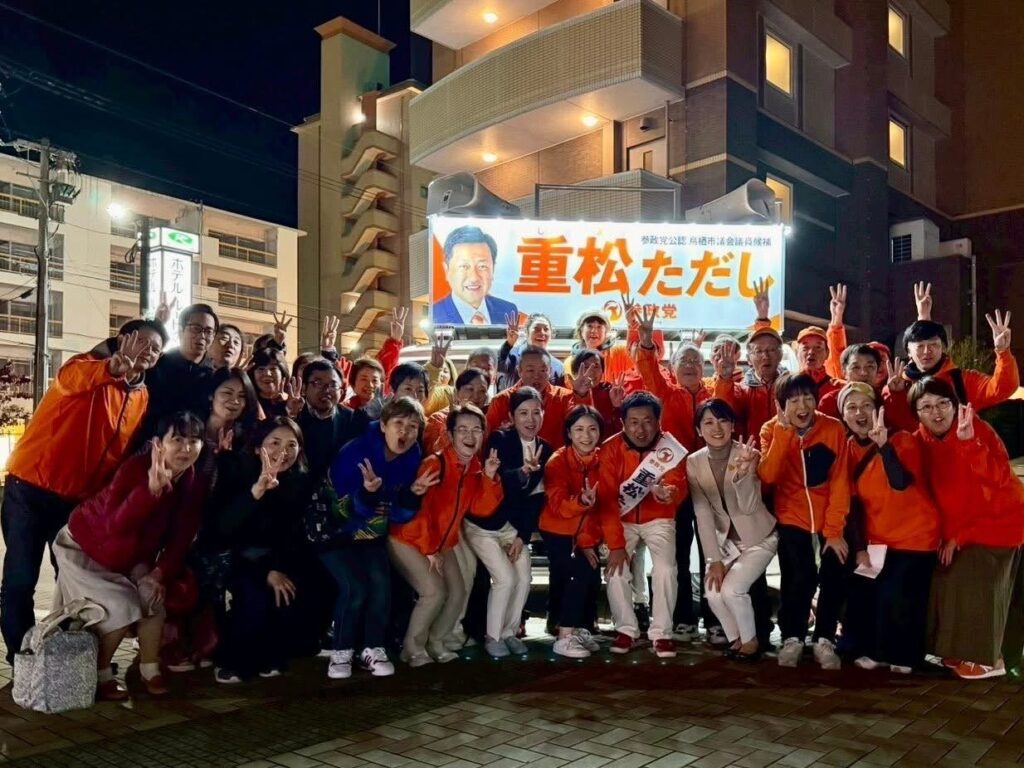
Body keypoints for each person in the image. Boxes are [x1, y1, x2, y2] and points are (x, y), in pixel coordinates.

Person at [0, 321, 165, 662]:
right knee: (21, 576)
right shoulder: (85, 367)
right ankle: (21, 657)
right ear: (122, 340)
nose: (148, 352)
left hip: (76, 502)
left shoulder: (142, 396)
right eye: (142, 343)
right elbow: (71, 379)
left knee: (75, 579)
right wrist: (113, 367)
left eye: (155, 349)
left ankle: (67, 656)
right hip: (30, 488)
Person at [51, 412, 207, 700]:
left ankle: (150, 668)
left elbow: (182, 536)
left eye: (194, 440)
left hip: (129, 554)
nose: (186, 448)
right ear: (158, 444)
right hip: (85, 545)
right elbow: (115, 526)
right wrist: (150, 491)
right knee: (120, 607)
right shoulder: (134, 469)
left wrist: (159, 574)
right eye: (177, 439)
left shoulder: (191, 479)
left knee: (152, 599)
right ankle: (100, 674)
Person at [910, 377, 1024, 680]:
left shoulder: (976, 429)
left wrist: (970, 443)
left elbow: (998, 481)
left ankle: (988, 659)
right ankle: (954, 649)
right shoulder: (919, 441)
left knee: (972, 576)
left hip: (999, 522)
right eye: (926, 407)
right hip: (958, 529)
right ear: (917, 413)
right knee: (941, 577)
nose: (936, 412)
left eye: (943, 404)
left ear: (955, 405)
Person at [388, 404, 503, 666]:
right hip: (408, 539)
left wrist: (488, 477)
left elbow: (481, 509)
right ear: (450, 435)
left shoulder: (474, 468)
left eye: (476, 429)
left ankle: (436, 642)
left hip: (441, 542)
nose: (469, 435)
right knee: (434, 592)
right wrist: (430, 549)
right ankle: (412, 648)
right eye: (462, 429)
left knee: (459, 592)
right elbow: (421, 514)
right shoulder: (435, 463)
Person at [837, 382, 940, 673]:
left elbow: (900, 482)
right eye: (852, 407)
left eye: (866, 406)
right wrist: (859, 548)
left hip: (915, 536)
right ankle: (875, 649)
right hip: (878, 540)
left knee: (900, 594)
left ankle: (904, 656)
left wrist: (884, 446)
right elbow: (852, 505)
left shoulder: (902, 439)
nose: (860, 413)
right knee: (867, 590)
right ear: (843, 415)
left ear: (878, 410)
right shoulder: (847, 449)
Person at [321, 397, 426, 679]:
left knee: (381, 586)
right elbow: (338, 512)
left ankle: (373, 647)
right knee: (354, 588)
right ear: (383, 425)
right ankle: (341, 651)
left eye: (412, 426)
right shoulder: (355, 453)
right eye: (398, 423)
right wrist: (367, 495)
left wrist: (411, 495)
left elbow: (397, 514)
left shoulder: (413, 455)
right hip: (334, 534)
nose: (404, 432)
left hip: (372, 535)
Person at [214, 418, 320, 682]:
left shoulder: (299, 481)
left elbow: (292, 536)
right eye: (274, 443)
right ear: (256, 447)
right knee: (254, 594)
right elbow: (224, 529)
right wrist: (257, 491)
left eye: (292, 445)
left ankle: (273, 652)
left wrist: (275, 567)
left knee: (294, 590)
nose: (283, 452)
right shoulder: (236, 472)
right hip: (236, 557)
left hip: (280, 559)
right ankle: (232, 660)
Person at [758, 373, 850, 670]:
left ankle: (824, 638)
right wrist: (784, 433)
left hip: (829, 520)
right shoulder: (770, 429)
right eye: (794, 400)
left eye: (808, 398)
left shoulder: (833, 428)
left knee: (833, 577)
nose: (802, 406)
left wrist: (834, 531)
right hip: (791, 517)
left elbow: (840, 482)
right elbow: (768, 475)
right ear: (781, 405)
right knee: (798, 578)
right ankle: (792, 637)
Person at [598, 391, 687, 658]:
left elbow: (678, 484)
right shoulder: (610, 448)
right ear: (623, 423)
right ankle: (626, 629)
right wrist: (615, 546)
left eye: (648, 421)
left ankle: (662, 633)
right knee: (616, 571)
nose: (641, 429)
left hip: (659, 517)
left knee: (666, 569)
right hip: (621, 519)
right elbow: (607, 500)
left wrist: (669, 492)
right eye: (634, 422)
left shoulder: (670, 448)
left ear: (658, 422)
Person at [687, 400, 778, 661]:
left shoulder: (749, 454)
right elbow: (702, 512)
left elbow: (749, 506)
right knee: (712, 592)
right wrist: (714, 559)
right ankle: (737, 638)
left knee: (732, 590)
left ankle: (750, 642)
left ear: (732, 425)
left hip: (759, 537)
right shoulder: (693, 462)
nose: (717, 428)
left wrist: (744, 475)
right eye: (708, 422)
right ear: (699, 430)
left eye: (723, 421)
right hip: (727, 542)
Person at [467, 387, 554, 658]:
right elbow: (496, 480)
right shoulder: (500, 439)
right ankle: (492, 636)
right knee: (504, 578)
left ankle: (509, 632)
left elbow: (536, 499)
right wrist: (523, 472)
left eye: (536, 412)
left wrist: (521, 537)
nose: (530, 419)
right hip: (483, 523)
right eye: (523, 413)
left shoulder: (546, 448)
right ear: (512, 416)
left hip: (512, 527)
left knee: (524, 576)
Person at [540, 405, 617, 658]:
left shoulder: (603, 459)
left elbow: (604, 505)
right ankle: (564, 636)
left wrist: (587, 539)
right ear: (569, 433)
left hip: (586, 532)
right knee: (578, 572)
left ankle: (580, 628)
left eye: (592, 429)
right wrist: (582, 501)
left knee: (591, 575)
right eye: (579, 429)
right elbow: (558, 505)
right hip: (558, 529)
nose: (586, 436)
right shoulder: (557, 461)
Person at [898, 309, 1018, 412]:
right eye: (920, 346)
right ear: (908, 351)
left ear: (943, 348)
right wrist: (894, 394)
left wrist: (1003, 351)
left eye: (934, 345)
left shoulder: (962, 381)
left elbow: (1002, 388)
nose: (927, 351)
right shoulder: (899, 385)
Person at [139, 304, 220, 439]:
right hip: (152, 442)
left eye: (208, 331)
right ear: (180, 330)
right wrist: (156, 325)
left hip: (194, 446)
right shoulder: (157, 364)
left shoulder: (214, 376)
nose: (202, 336)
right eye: (196, 328)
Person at [486, 346, 590, 448]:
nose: (536, 376)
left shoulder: (565, 397)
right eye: (530, 370)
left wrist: (581, 395)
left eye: (543, 370)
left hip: (555, 458)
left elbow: (583, 426)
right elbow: (488, 439)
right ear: (519, 371)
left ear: (550, 371)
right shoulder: (501, 401)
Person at [293, 360, 366, 484]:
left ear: (341, 391)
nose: (327, 390)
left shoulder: (352, 419)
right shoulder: (293, 414)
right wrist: (291, 415)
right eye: (318, 383)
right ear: (304, 388)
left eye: (333, 385)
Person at [432, 225, 518, 325]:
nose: (474, 277)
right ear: (447, 270)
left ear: (493, 269)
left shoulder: (508, 310)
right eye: (464, 266)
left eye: (482, 266)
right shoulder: (435, 314)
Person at [424, 368, 489, 453]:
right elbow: (432, 453)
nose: (476, 396)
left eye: (482, 390)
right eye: (470, 389)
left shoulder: (488, 419)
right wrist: (451, 423)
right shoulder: (437, 420)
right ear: (456, 393)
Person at [564, 310, 634, 387]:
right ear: (581, 331)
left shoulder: (620, 353)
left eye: (599, 327)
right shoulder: (570, 362)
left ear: (606, 332)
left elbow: (639, 358)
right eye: (589, 326)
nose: (594, 331)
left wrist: (633, 327)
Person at [499, 313, 565, 390]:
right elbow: (498, 367)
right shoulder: (512, 356)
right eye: (537, 329)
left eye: (546, 329)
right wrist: (509, 344)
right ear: (527, 332)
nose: (542, 333)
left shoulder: (557, 366)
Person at [248, 348, 290, 419]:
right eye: (261, 369)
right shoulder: (247, 402)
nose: (267, 373)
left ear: (282, 373)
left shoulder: (293, 401)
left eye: (273, 369)